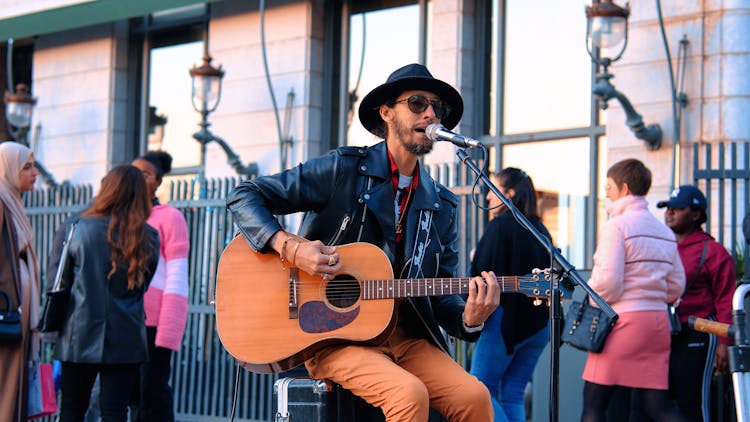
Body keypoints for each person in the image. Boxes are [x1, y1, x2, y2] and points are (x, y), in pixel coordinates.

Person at [227, 63, 500, 421]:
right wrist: (293, 249)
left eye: (438, 107)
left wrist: (470, 317)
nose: (431, 113)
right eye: (417, 103)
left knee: (475, 396)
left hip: (404, 337)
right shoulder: (344, 170)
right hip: (332, 335)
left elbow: (441, 291)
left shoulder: (441, 204)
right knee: (408, 395)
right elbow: (245, 195)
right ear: (386, 112)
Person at [580, 158, 686, 422]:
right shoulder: (664, 231)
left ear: (624, 188)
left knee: (594, 403)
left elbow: (609, 283)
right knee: (658, 404)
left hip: (623, 323)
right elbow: (676, 286)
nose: (605, 193)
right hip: (657, 324)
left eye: (608, 188)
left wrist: (590, 297)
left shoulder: (616, 226)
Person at [52, 164, 160, 422]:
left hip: (78, 333)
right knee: (115, 411)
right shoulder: (149, 236)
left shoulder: (79, 228)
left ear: (107, 189)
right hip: (126, 336)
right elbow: (144, 283)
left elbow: (62, 282)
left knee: (71, 409)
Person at [468, 168, 552, 422]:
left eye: (494, 190)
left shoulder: (501, 226)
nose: (487, 198)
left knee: (479, 389)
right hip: (538, 325)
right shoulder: (540, 228)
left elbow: (479, 276)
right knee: (513, 394)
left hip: (503, 323)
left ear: (510, 194)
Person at [656, 185, 735, 421]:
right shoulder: (661, 244)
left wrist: (724, 342)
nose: (669, 213)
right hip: (662, 332)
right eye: (667, 208)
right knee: (654, 402)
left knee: (693, 404)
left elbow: (726, 298)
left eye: (678, 208)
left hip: (697, 332)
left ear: (696, 214)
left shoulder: (714, 251)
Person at [132, 151, 189, 422]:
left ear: (158, 182)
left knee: (152, 395)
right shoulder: (118, 218)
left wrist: (169, 329)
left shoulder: (170, 217)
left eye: (145, 174)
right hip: (123, 319)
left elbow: (177, 275)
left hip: (153, 324)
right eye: (133, 171)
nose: (137, 178)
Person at [0, 141, 41, 421]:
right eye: (26, 167)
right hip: (6, 313)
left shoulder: (12, 203)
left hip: (17, 313)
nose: (34, 173)